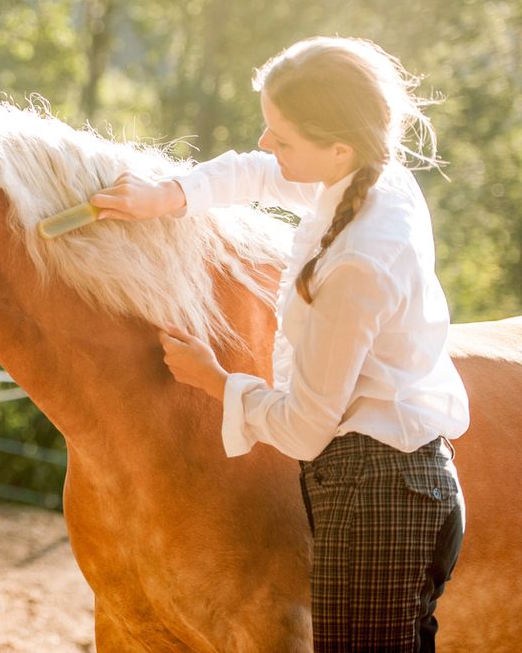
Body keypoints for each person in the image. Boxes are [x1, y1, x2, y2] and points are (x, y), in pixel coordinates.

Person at [90, 36, 469, 652]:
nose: (267, 143)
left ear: (338, 147)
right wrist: (169, 195)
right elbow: (257, 172)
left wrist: (216, 380)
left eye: (282, 136)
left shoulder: (360, 260)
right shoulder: (369, 178)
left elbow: (305, 428)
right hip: (392, 485)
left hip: (380, 493)